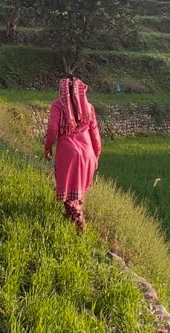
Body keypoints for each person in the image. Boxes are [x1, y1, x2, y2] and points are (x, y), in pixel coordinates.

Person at [44, 76, 102, 233]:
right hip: (88, 153)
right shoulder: (88, 107)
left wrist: (47, 147)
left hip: (68, 154)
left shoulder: (58, 106)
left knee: (69, 193)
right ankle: (72, 220)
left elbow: (52, 129)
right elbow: (95, 135)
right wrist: (96, 155)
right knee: (78, 191)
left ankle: (79, 223)